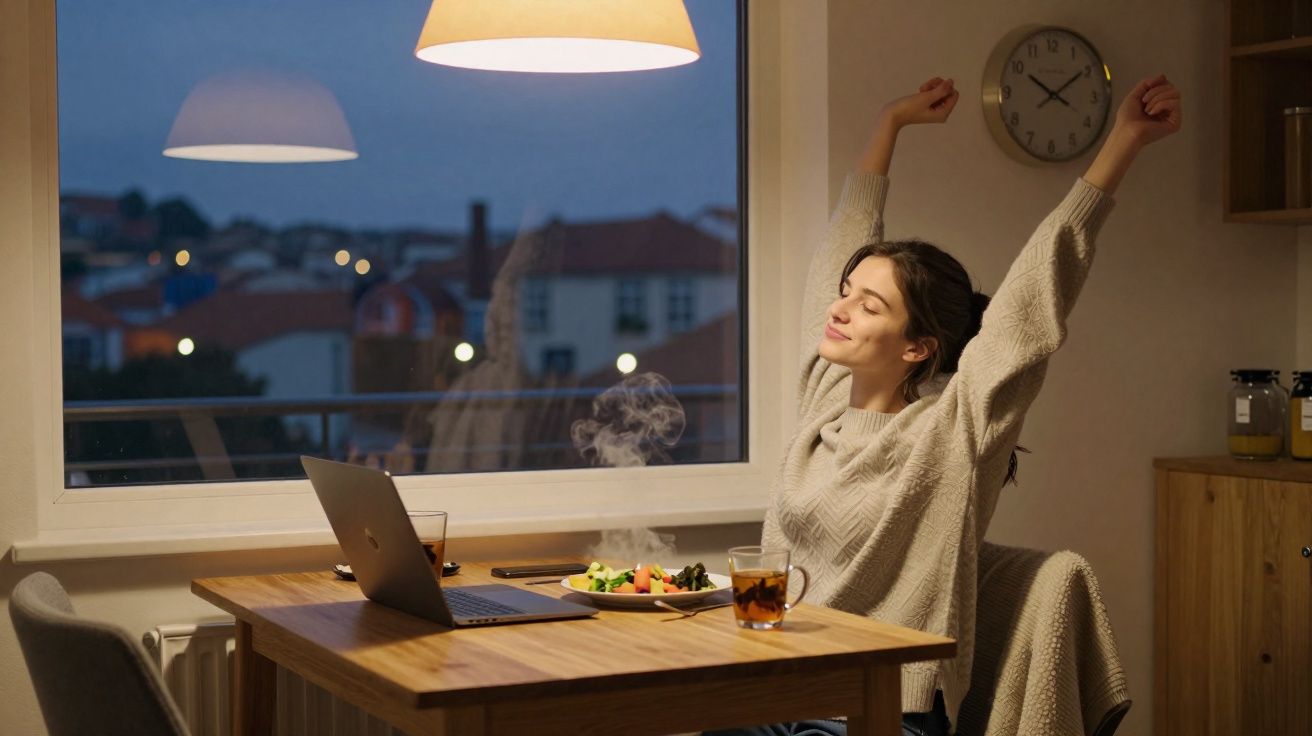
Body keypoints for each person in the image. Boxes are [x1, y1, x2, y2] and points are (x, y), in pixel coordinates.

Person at [706, 73, 1181, 736]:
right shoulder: (823, 401)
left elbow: (1033, 300)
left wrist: (1124, 141)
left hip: (876, 708)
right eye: (848, 293)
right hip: (780, 682)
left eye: (869, 306)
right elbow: (839, 251)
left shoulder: (954, 431)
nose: (841, 309)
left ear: (917, 348)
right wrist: (889, 125)